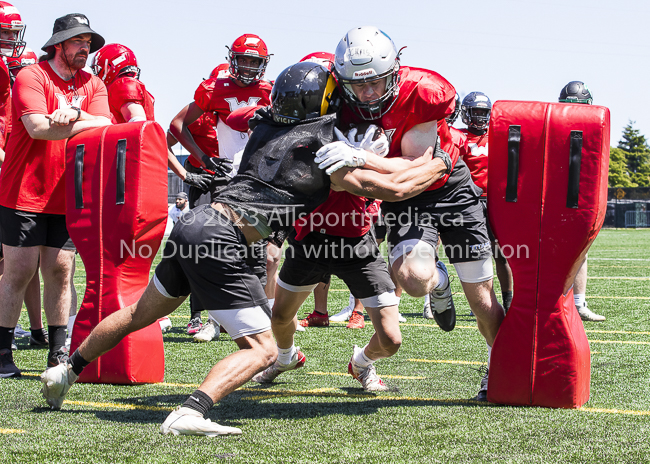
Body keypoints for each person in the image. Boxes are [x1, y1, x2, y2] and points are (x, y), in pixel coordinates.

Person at [40, 61, 450, 436]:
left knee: (138, 314)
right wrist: (439, 164)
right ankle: (192, 411)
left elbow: (243, 115)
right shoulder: (325, 150)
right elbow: (394, 189)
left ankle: (66, 371)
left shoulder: (264, 126)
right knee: (263, 349)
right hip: (225, 238)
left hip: (195, 225)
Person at [315, 26, 506, 400]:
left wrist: (361, 157)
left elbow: (415, 165)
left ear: (396, 69)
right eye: (358, 85)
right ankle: (439, 281)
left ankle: (495, 366)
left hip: (448, 188)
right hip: (406, 202)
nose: (368, 93)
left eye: (377, 82)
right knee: (415, 281)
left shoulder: (423, 90)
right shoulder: (334, 100)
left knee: (482, 299)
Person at [0, 13, 111, 378]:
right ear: (58, 44)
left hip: (67, 195)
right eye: (79, 42)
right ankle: (2, 353)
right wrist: (73, 121)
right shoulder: (32, 75)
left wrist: (73, 112)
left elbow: (107, 125)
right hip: (23, 192)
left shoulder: (92, 84)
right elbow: (37, 129)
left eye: (89, 43)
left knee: (61, 272)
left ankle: (57, 353)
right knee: (18, 271)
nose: (86, 49)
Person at [169, 37, 273, 337]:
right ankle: (212, 319)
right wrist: (203, 158)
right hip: (227, 177)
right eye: (245, 59)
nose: (250, 66)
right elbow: (177, 126)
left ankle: (258, 316)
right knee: (216, 247)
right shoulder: (214, 89)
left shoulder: (271, 90)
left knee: (258, 251)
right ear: (232, 59)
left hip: (258, 178)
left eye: (256, 61)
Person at [458, 92, 513, 313]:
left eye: (484, 113)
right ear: (466, 113)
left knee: (502, 254)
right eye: (476, 112)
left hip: (495, 202)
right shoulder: (458, 137)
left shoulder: (498, 136)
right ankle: (481, 301)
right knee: (475, 255)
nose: (480, 118)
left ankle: (509, 303)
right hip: (469, 202)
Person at [558, 81, 604, 322]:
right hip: (556, 197)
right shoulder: (554, 126)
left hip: (582, 197)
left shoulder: (596, 128)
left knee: (581, 252)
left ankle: (578, 303)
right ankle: (554, 303)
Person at [91, 43, 154, 124]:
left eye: (97, 69)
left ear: (108, 67)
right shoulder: (136, 87)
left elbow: (137, 122)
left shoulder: (123, 86)